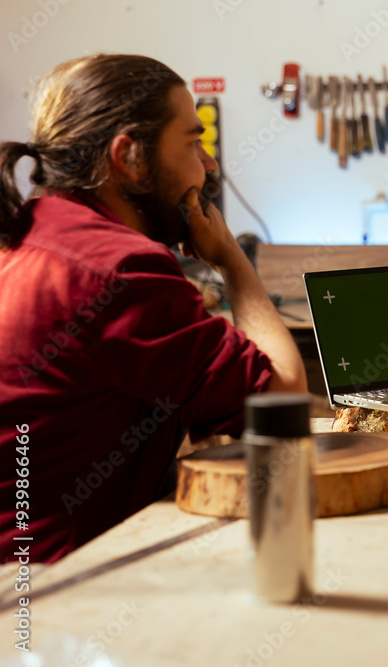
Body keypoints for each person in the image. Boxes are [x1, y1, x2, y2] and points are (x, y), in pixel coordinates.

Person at [0, 54, 307, 563]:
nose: (208, 164)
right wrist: (233, 262)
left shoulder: (31, 234)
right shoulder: (119, 268)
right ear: (130, 158)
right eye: (192, 142)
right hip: (49, 588)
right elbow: (282, 399)